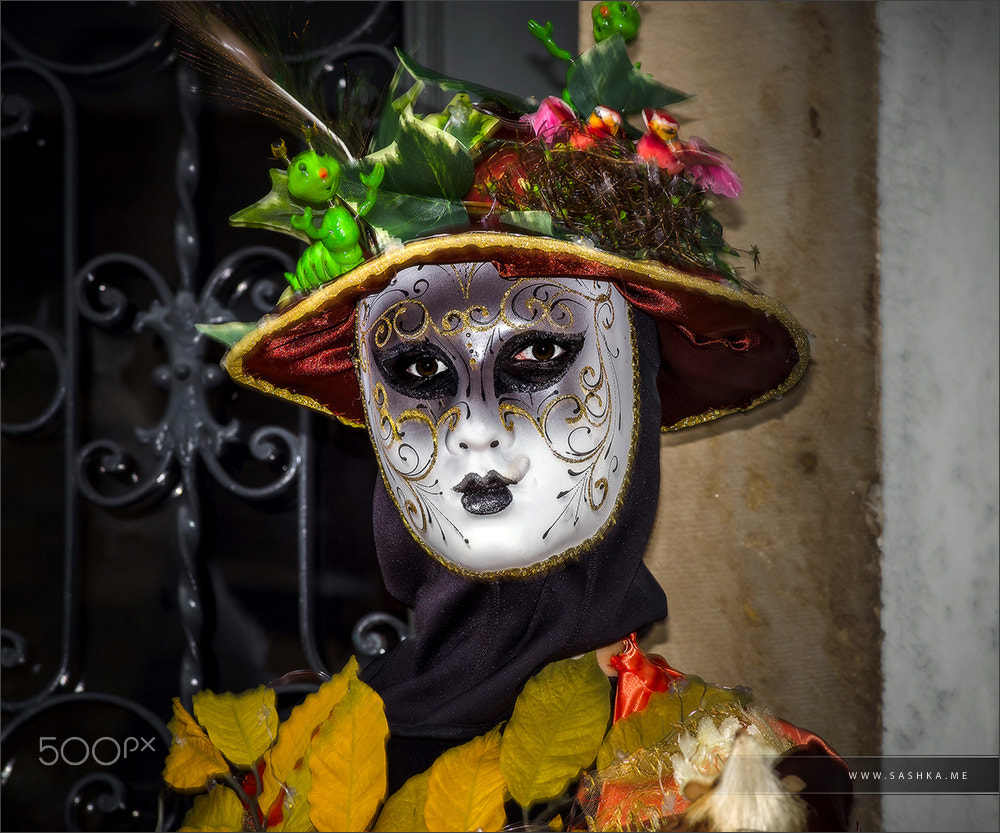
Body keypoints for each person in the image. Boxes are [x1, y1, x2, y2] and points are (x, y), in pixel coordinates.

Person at [180, 5, 852, 828]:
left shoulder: (738, 784)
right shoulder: (267, 767)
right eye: (421, 370)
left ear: (633, 382)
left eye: (537, 359)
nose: (476, 427)